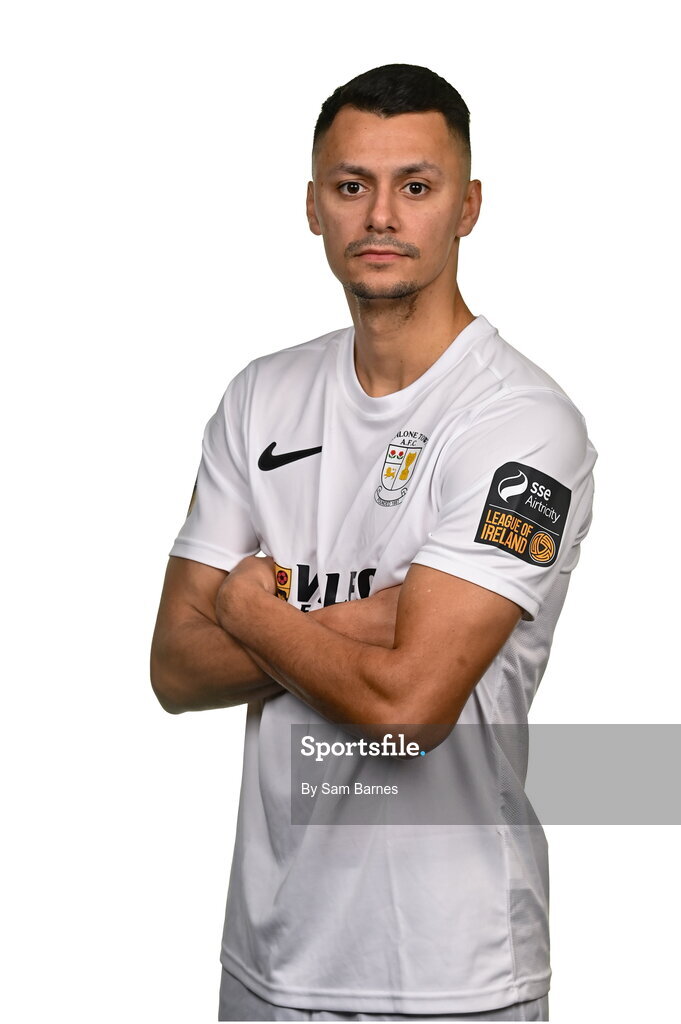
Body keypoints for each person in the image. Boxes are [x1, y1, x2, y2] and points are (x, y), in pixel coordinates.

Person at [150, 63, 596, 1022]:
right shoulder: (258, 398)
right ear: (314, 207)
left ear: (466, 207)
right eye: (352, 186)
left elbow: (410, 705)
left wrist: (243, 605)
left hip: (451, 972)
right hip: (266, 960)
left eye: (416, 187)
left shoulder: (524, 428)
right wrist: (380, 614)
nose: (381, 215)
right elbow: (175, 671)